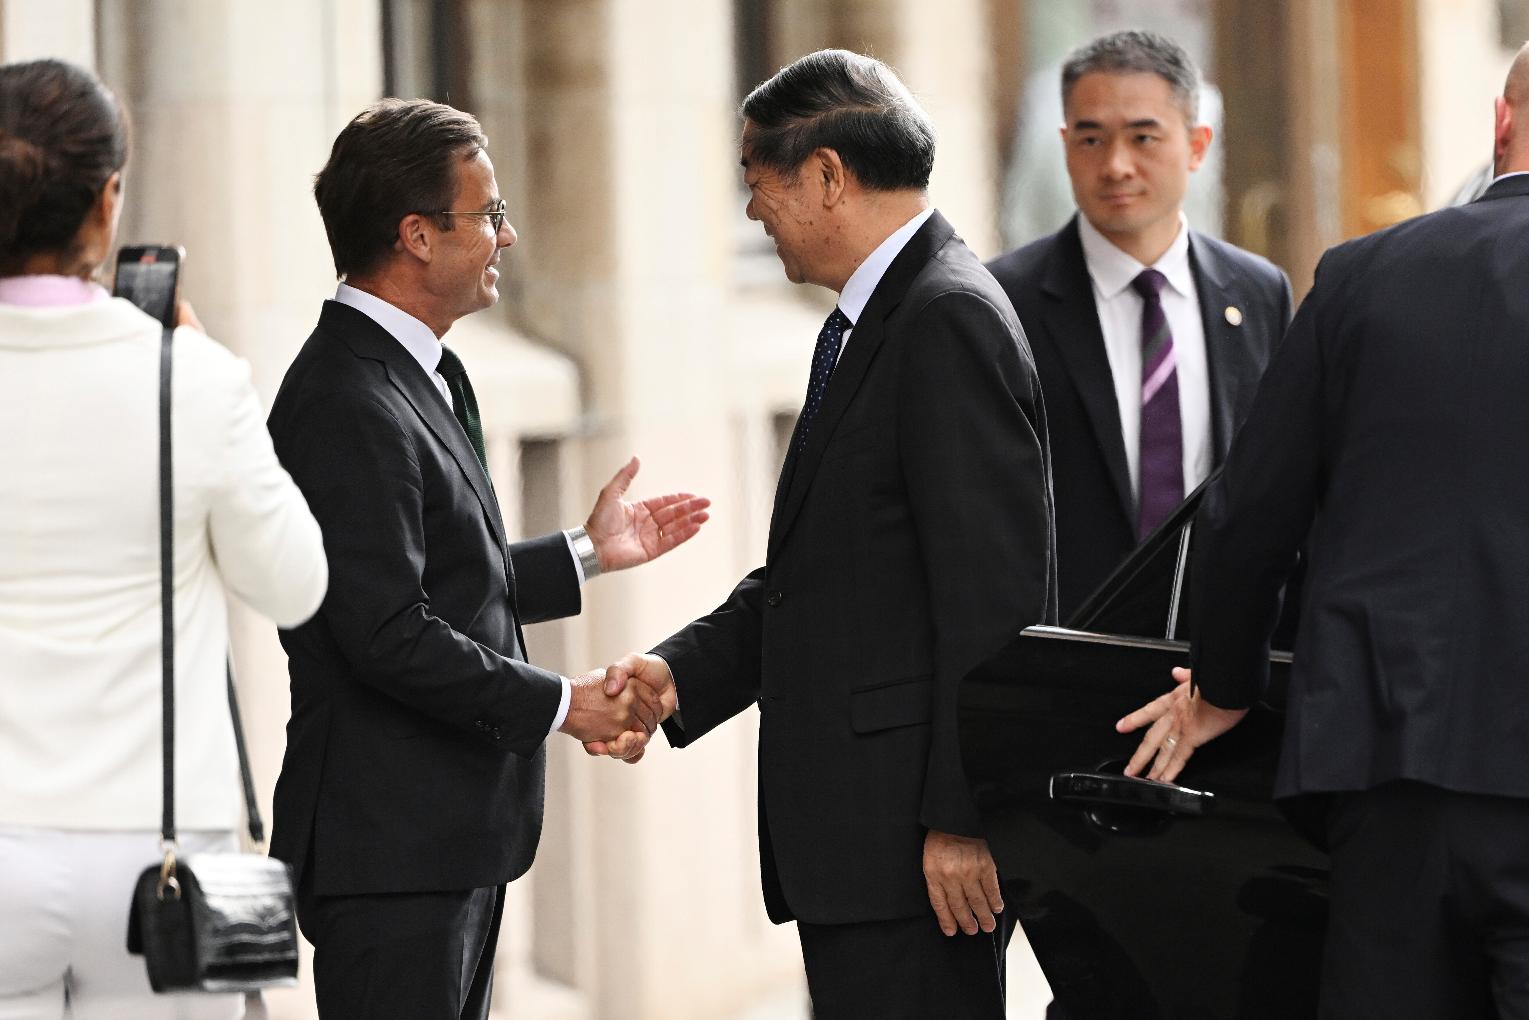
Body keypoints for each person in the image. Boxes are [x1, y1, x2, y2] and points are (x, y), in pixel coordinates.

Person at [589, 49, 1056, 1019]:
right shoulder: (870, 322)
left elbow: (995, 603)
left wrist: (963, 821)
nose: (754, 215)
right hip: (860, 855)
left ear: (828, 176)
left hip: (913, 858)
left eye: (759, 187)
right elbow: (825, 575)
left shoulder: (945, 319)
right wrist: (680, 673)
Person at [266, 97, 709, 1019]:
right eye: (490, 214)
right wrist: (561, 704)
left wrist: (587, 553)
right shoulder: (343, 397)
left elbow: (428, 571)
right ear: (417, 236)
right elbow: (385, 630)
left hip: (444, 842)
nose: (506, 238)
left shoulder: (419, 367)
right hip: (389, 853)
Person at [1119, 40, 1529, 1020]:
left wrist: (1222, 682)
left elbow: (1249, 509)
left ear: (1500, 122)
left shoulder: (1359, 277)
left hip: (1387, 767)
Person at [0, 59, 328, 1019]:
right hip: (158, 862)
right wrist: (211, 374)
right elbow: (296, 586)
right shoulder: (192, 382)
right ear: (107, 205)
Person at [985, 30, 1291, 620]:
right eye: (1091, 139)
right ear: (1065, 145)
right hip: (1067, 659)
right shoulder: (1004, 301)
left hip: (1215, 666)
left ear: (1198, 145)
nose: (1116, 165)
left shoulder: (1258, 293)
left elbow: (1275, 487)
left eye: (1143, 137)